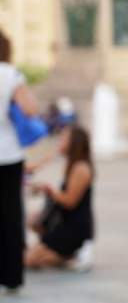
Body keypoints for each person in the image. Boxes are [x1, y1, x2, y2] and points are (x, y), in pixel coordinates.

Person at [0, 29, 40, 295]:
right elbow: (31, 109)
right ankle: (12, 276)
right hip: (9, 152)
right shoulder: (10, 74)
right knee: (12, 215)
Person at [24, 124, 95, 272]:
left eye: (64, 137)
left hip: (73, 228)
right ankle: (50, 249)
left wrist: (48, 189)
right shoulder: (73, 164)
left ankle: (71, 253)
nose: (59, 141)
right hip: (61, 222)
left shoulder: (81, 168)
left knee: (29, 260)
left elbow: (70, 201)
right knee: (32, 219)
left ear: (74, 142)